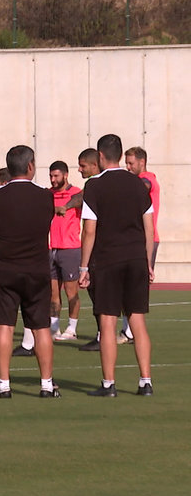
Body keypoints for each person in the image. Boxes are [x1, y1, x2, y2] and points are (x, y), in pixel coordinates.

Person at [80, 134, 155, 397]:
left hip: (108, 260)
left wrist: (83, 267)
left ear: (100, 156)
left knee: (108, 322)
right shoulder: (137, 184)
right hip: (136, 258)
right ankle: (145, 381)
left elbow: (89, 231)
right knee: (137, 320)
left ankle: (109, 384)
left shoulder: (93, 187)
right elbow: (149, 227)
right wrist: (148, 262)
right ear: (121, 156)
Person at [0, 146, 57, 398]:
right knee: (41, 327)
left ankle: (3, 385)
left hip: (6, 268)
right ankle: (46, 385)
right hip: (37, 268)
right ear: (30, 166)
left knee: (4, 327)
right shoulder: (45, 196)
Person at [117, 146, 161, 345]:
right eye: (125, 163)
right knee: (127, 285)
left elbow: (143, 186)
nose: (127, 167)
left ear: (141, 162)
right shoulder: (134, 181)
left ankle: (131, 331)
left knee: (136, 287)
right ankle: (129, 330)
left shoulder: (147, 179)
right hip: (134, 239)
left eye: (130, 163)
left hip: (146, 239)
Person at [47, 160, 82, 342]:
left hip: (70, 249)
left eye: (56, 176)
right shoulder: (48, 194)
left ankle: (72, 327)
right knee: (53, 293)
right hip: (51, 249)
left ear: (66, 175)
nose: (53, 180)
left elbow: (82, 198)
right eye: (51, 176)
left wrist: (66, 206)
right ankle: (54, 328)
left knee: (71, 292)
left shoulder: (76, 193)